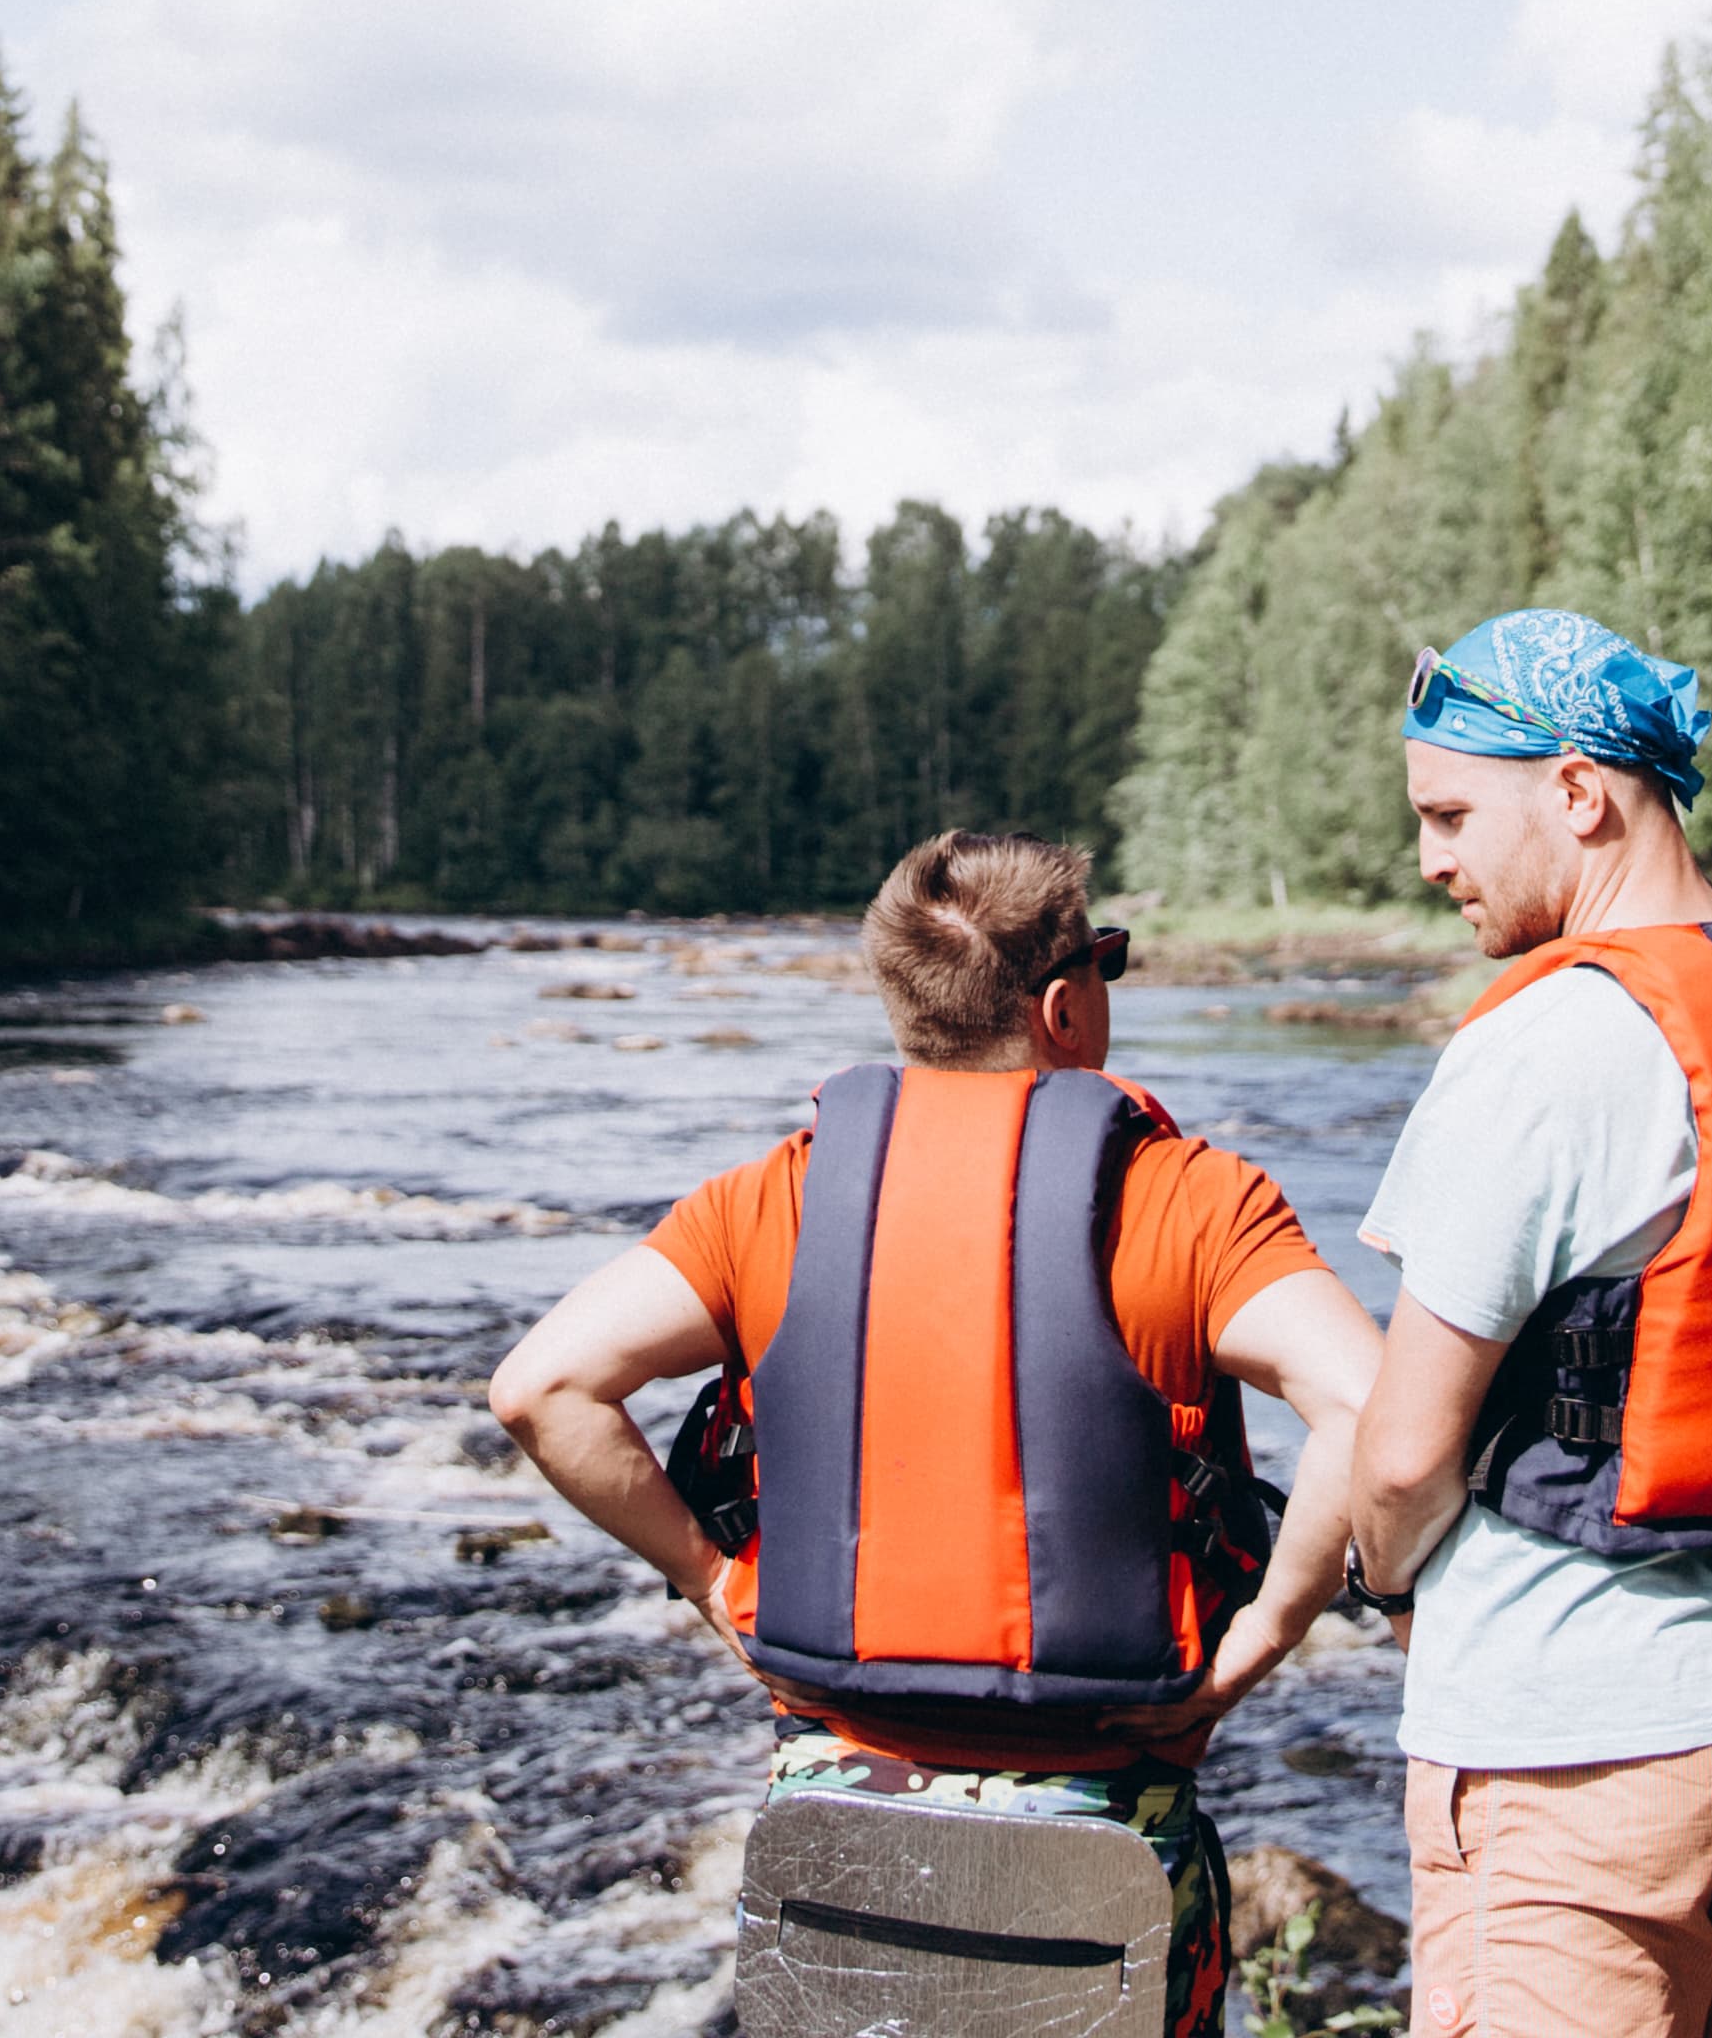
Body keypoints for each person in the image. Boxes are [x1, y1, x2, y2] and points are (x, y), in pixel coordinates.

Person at [487, 828, 1385, 2038]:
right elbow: (1368, 1406)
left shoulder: (780, 1196)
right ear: (1065, 1003)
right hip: (1107, 1811)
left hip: (836, 1811)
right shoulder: (1193, 1202)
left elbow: (542, 1389)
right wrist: (1264, 1639)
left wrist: (713, 1585)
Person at [1342, 606, 1712, 2038]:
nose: (1431, 860)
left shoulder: (1548, 1044)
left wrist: (1390, 1584)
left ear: (1580, 792)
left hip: (1583, 1739)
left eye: (1455, 812)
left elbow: (1407, 1455)